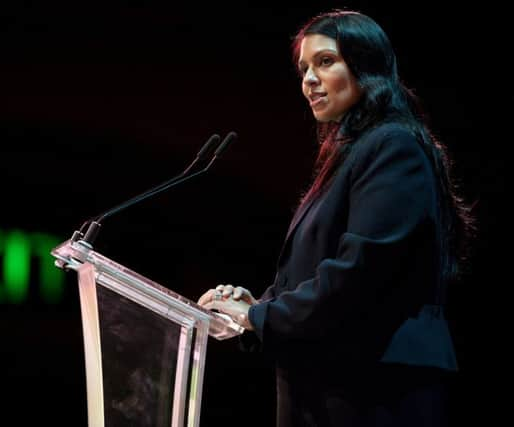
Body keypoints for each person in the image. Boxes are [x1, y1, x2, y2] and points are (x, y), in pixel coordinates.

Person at [197, 9, 475, 427]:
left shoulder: (394, 147)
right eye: (304, 68)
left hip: (374, 391)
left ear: (366, 65)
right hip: (329, 383)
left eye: (325, 62)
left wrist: (257, 317)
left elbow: (359, 274)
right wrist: (260, 304)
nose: (309, 79)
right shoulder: (353, 152)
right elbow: (314, 272)